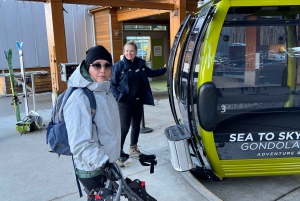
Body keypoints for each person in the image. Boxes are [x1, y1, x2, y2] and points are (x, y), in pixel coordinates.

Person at [64, 45, 121, 193]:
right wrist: (103, 164)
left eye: (107, 65)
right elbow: (79, 143)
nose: (103, 70)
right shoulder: (80, 97)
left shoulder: (104, 92)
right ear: (87, 67)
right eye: (97, 65)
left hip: (106, 163)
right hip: (93, 169)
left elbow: (108, 130)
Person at [110, 40, 166, 167]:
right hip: (124, 102)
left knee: (136, 126)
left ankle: (133, 148)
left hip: (137, 101)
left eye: (132, 51)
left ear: (136, 52)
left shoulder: (140, 64)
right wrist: (118, 97)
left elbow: (151, 73)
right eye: (127, 51)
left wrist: (164, 69)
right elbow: (112, 85)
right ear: (124, 52)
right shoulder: (118, 66)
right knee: (124, 128)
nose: (129, 53)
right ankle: (117, 153)